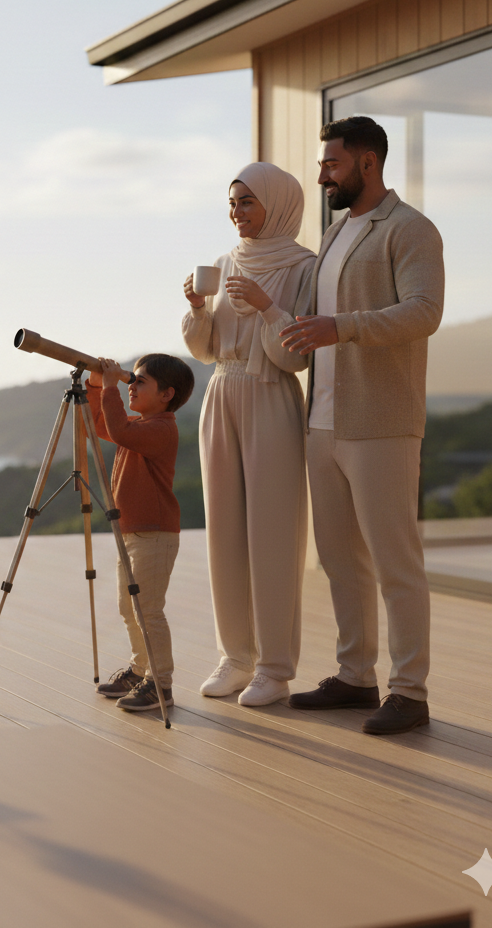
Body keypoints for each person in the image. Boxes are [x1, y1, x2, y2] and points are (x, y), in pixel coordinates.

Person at [281, 115, 444, 735]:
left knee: (395, 561)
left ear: (368, 163)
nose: (322, 173)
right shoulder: (333, 233)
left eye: (332, 164)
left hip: (381, 422)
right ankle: (356, 676)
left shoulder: (410, 229)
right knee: (340, 560)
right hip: (323, 422)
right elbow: (317, 321)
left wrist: (341, 325)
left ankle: (411, 691)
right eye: (323, 164)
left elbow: (424, 311)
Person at [182, 162, 315, 706]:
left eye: (247, 203)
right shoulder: (223, 263)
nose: (237, 213)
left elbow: (294, 357)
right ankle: (236, 657)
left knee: (274, 534)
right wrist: (196, 309)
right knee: (225, 532)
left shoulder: (305, 267)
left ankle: (275, 668)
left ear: (277, 205)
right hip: (223, 394)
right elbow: (206, 351)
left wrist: (266, 308)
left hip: (271, 396)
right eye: (232, 203)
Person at [87, 353, 194, 713]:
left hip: (155, 533)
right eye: (131, 381)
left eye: (140, 382)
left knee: (148, 609)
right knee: (128, 608)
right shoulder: (139, 426)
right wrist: (97, 385)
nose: (131, 386)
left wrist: (112, 386)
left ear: (167, 394)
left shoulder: (161, 429)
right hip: (132, 532)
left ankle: (160, 684)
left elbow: (116, 430)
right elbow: (101, 424)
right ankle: (139, 671)